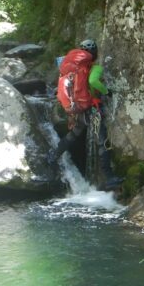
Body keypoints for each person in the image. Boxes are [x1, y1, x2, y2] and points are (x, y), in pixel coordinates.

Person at [49, 38, 123, 190]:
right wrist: (107, 91)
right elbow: (93, 82)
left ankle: (52, 156)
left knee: (74, 134)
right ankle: (109, 177)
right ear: (94, 53)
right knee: (101, 140)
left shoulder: (70, 67)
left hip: (77, 108)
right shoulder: (94, 67)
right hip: (92, 108)